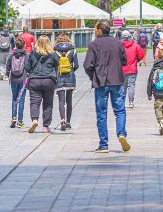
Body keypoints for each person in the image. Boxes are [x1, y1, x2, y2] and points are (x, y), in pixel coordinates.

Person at [83, 20, 130, 153]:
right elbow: (124, 60)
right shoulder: (117, 43)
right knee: (120, 111)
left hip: (101, 83)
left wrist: (93, 76)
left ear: (99, 30)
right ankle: (121, 134)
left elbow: (87, 65)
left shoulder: (94, 44)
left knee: (102, 114)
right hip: (117, 81)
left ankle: (104, 144)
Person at [25, 35, 59, 133]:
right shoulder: (53, 54)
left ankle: (35, 120)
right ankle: (45, 126)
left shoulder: (32, 54)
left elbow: (27, 67)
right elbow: (57, 64)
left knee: (34, 102)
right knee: (48, 104)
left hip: (34, 80)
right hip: (48, 80)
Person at [53, 34, 79, 131]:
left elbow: (53, 64)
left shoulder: (54, 50)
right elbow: (76, 65)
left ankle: (62, 120)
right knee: (69, 101)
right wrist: (70, 70)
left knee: (61, 100)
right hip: (70, 76)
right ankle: (68, 122)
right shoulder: (72, 50)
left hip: (59, 76)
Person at [6, 37, 29, 128]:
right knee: (22, 99)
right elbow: (28, 67)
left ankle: (13, 117)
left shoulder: (11, 56)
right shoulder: (26, 56)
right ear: (24, 46)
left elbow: (8, 68)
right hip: (23, 80)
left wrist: (9, 76)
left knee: (14, 98)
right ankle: (20, 120)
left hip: (14, 80)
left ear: (15, 45)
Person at [121, 30, 146, 108]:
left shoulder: (119, 46)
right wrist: (137, 60)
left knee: (123, 86)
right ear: (129, 36)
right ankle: (131, 102)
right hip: (132, 69)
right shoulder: (135, 45)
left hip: (122, 69)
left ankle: (122, 102)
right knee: (131, 85)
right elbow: (141, 54)